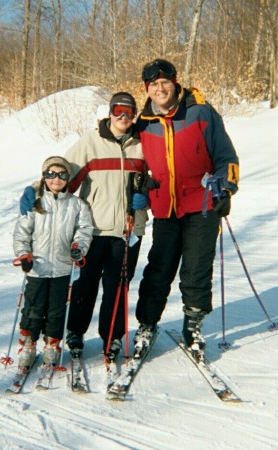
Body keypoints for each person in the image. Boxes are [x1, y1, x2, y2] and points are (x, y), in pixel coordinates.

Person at [20, 92, 148, 363]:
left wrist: (148, 195)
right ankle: (75, 331)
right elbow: (61, 174)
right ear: (110, 112)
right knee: (85, 285)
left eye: (128, 112)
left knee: (118, 287)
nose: (123, 117)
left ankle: (112, 337)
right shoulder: (91, 142)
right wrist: (36, 190)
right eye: (118, 111)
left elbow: (156, 180)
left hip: (127, 231)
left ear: (135, 114)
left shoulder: (142, 144)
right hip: (91, 231)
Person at [133, 59, 239, 361]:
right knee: (159, 269)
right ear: (148, 89)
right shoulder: (144, 123)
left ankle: (193, 327)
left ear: (175, 82)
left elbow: (225, 156)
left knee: (196, 270)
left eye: (165, 82)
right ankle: (147, 324)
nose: (160, 88)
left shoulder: (200, 113)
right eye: (154, 85)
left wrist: (226, 188)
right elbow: (131, 162)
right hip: (165, 208)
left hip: (202, 205)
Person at [13, 156, 93, 369]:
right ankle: (28, 344)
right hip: (37, 267)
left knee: (57, 308)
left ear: (68, 178)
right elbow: (22, 232)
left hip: (62, 267)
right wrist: (24, 254)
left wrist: (78, 248)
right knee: (33, 307)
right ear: (44, 177)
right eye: (51, 174)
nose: (56, 179)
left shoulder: (77, 205)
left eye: (62, 175)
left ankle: (52, 344)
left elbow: (84, 230)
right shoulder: (35, 202)